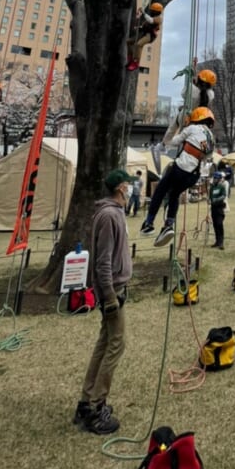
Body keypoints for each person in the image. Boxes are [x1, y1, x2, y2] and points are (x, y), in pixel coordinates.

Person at [74, 168, 136, 435]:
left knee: (104, 342)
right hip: (113, 291)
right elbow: (102, 261)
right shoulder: (110, 215)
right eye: (129, 185)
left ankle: (86, 401)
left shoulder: (111, 212)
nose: (132, 189)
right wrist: (109, 296)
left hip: (114, 287)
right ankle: (97, 406)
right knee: (116, 344)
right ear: (120, 188)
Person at [140, 106, 215, 246]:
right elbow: (207, 158)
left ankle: (149, 223)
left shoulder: (193, 128)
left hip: (181, 167)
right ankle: (169, 224)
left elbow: (174, 141)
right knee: (174, 194)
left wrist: (165, 142)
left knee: (161, 190)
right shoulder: (212, 138)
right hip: (194, 174)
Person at [162, 67, 216, 145]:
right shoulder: (211, 95)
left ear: (199, 79)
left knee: (172, 129)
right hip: (197, 120)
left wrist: (190, 81)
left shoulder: (191, 88)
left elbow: (183, 94)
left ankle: (164, 144)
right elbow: (201, 94)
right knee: (187, 137)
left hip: (185, 115)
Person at [126, 1, 163, 71]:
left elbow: (151, 21)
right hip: (143, 33)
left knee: (139, 44)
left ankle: (136, 62)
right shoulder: (151, 17)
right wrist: (139, 27)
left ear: (156, 12)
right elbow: (145, 25)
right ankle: (130, 58)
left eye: (153, 10)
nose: (151, 11)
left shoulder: (158, 18)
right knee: (129, 41)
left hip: (150, 36)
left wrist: (143, 13)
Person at [209, 170, 227, 249]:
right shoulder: (212, 187)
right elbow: (210, 196)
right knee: (215, 225)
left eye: (216, 178)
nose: (214, 179)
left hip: (219, 208)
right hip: (213, 208)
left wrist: (216, 200)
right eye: (214, 178)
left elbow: (223, 196)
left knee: (219, 224)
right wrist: (209, 200)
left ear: (219, 179)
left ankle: (221, 242)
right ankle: (217, 241)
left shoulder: (221, 186)